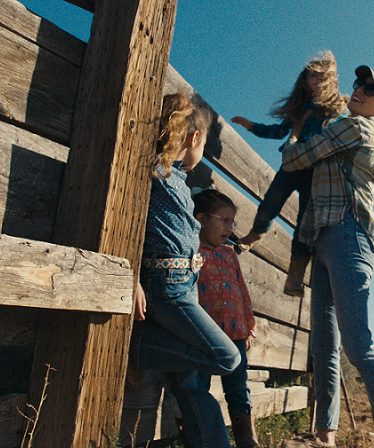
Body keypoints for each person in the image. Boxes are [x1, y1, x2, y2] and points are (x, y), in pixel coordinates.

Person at [280, 65, 374, 448]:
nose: (358, 90)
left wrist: (294, 136)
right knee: (323, 344)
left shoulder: (357, 127)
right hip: (328, 239)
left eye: (369, 88)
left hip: (349, 236)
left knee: (355, 344)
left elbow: (296, 159)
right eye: (358, 83)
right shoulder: (352, 127)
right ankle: (325, 435)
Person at [131, 92, 241, 448]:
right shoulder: (153, 171)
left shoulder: (177, 179)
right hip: (166, 284)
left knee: (189, 378)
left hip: (184, 284)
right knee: (227, 357)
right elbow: (128, 224)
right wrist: (131, 277)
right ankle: (142, 346)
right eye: (204, 144)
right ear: (193, 138)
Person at [231, 50, 348, 298]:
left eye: (320, 76)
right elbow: (277, 131)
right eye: (310, 76)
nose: (314, 80)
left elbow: (344, 135)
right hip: (292, 165)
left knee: (304, 226)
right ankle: (256, 232)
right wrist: (250, 126)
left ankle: (294, 277)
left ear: (330, 80)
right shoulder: (300, 108)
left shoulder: (338, 110)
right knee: (271, 201)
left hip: (316, 174)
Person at [192, 189, 260, 448]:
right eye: (223, 221)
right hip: (204, 334)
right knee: (200, 387)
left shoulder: (230, 254)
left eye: (232, 223)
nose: (229, 228)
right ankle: (203, 439)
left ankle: (247, 440)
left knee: (238, 389)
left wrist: (249, 325)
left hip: (235, 333)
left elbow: (241, 289)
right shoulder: (193, 250)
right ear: (201, 219)